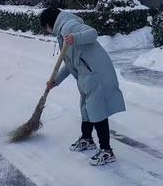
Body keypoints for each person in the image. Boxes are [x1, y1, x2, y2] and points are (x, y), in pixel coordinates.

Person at [40, 8, 125, 166]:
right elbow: (69, 64)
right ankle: (87, 139)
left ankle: (107, 151)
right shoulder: (62, 33)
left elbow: (93, 33)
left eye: (45, 27)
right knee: (86, 109)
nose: (46, 31)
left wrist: (75, 37)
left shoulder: (69, 26)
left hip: (96, 73)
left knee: (97, 111)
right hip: (86, 75)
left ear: (49, 23)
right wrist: (55, 81)